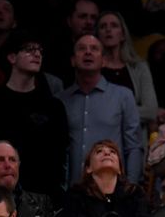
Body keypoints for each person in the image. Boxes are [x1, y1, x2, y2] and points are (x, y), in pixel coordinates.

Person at [0, 34, 69, 201]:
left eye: (40, 51)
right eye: (29, 49)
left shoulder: (53, 107)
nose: (37, 54)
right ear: (12, 57)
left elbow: (59, 159)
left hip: (42, 198)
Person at [58, 34, 142, 186]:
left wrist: (131, 186)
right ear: (73, 60)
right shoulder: (61, 100)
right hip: (72, 190)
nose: (88, 52)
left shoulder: (123, 96)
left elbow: (134, 147)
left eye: (94, 49)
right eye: (82, 49)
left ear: (104, 61)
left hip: (113, 189)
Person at [97, 11, 158, 139]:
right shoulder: (93, 68)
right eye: (103, 26)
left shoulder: (139, 67)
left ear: (123, 35)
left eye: (114, 25)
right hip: (99, 139)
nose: (108, 29)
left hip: (133, 140)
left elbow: (150, 111)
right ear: (98, 35)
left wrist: (110, 112)